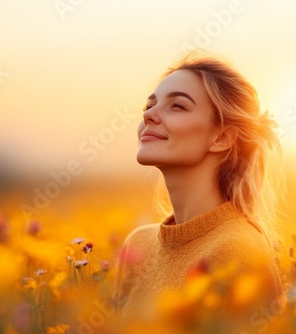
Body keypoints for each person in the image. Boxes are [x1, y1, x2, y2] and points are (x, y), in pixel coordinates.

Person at [113, 53, 286, 330]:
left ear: (221, 138)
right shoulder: (138, 245)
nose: (147, 115)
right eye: (149, 105)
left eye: (177, 106)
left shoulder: (236, 248)